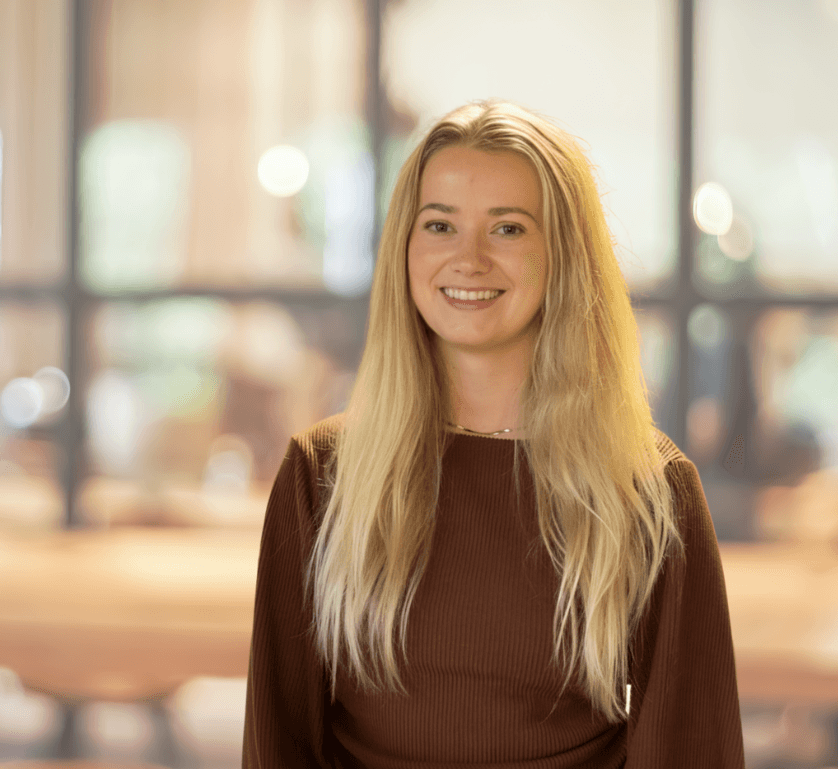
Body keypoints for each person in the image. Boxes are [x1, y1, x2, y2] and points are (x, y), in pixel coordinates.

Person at [242, 100, 746, 768]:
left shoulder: (649, 486)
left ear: (563, 255)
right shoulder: (321, 473)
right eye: (440, 224)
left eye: (508, 228)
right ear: (405, 248)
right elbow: (278, 744)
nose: (469, 258)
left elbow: (691, 750)